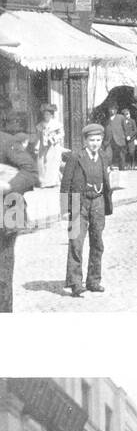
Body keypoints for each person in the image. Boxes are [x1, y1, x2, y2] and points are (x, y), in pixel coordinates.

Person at [60, 122, 112, 298]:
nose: (95, 143)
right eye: (91, 140)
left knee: (97, 242)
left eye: (98, 140)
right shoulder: (76, 157)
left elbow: (106, 179)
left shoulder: (103, 156)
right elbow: (65, 183)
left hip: (98, 202)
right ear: (85, 140)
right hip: (77, 203)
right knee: (76, 243)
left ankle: (93, 280)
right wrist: (65, 208)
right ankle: (75, 283)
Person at [0, 131, 40, 315]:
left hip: (5, 216)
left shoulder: (6, 141)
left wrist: (8, 186)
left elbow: (30, 171)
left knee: (2, 275)